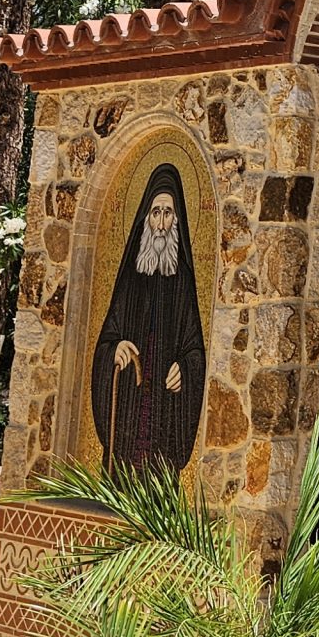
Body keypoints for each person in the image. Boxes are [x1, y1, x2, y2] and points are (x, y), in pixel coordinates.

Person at [88, 165, 208, 470]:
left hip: (164, 407)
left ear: (177, 220)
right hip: (130, 399)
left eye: (168, 213)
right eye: (156, 213)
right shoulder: (130, 279)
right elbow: (108, 337)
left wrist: (185, 369)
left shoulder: (183, 281)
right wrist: (115, 349)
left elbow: (195, 346)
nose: (162, 224)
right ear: (146, 218)